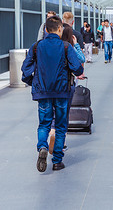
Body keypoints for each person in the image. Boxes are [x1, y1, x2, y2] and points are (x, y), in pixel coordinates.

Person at [21, 15, 84, 172]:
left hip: (42, 92)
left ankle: (42, 146)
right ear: (60, 29)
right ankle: (57, 161)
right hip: (62, 91)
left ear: (46, 30)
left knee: (44, 124)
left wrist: (33, 83)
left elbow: (25, 70)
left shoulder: (36, 46)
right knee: (61, 126)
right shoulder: (65, 47)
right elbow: (78, 68)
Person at [48, 24, 85, 155]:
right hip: (67, 85)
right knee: (64, 113)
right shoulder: (69, 48)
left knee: (52, 112)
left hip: (50, 85)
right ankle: (61, 143)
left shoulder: (51, 47)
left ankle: (52, 131)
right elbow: (81, 59)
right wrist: (76, 45)